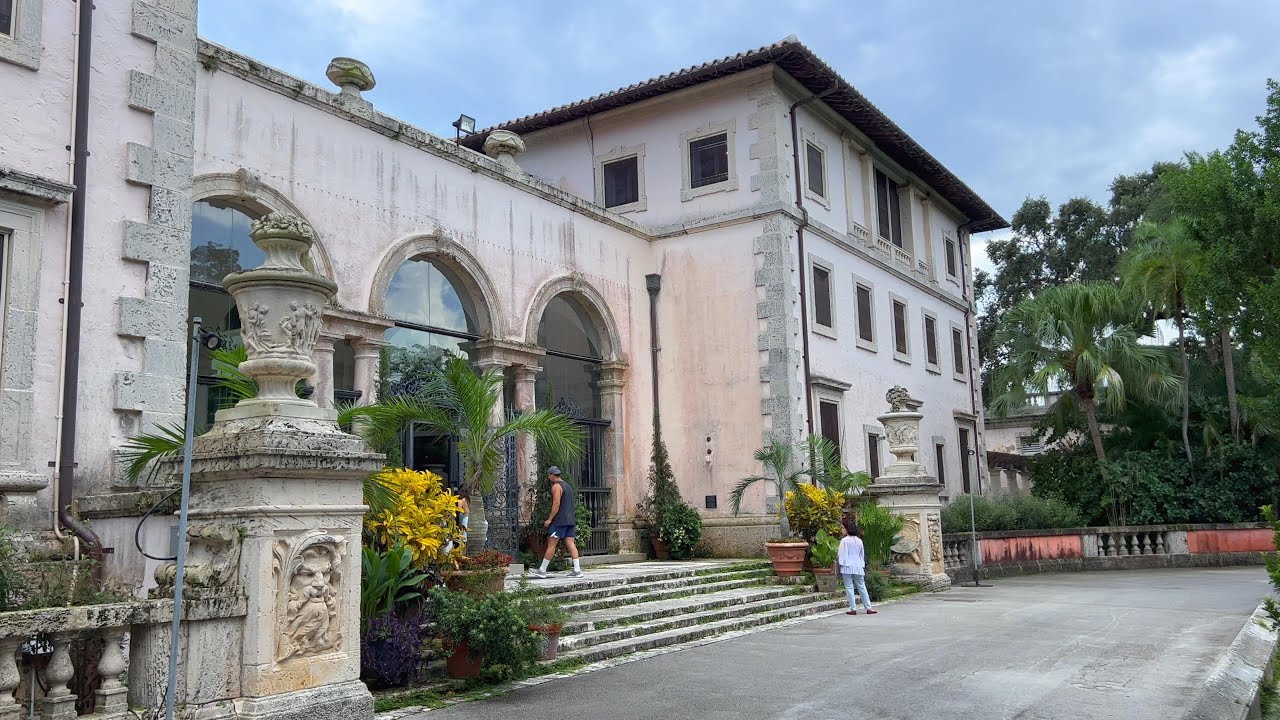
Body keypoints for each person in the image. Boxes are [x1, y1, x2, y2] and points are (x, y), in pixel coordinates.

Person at [528, 466, 583, 579]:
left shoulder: (556, 487)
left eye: (549, 476)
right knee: (570, 543)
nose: (549, 478)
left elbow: (556, 504)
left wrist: (550, 519)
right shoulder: (567, 486)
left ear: (552, 475)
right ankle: (577, 570)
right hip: (570, 519)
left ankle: (542, 570)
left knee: (551, 544)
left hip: (560, 521)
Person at [838, 520, 876, 616]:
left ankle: (853, 608)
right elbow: (861, 554)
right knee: (862, 586)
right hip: (858, 566)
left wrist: (840, 564)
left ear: (847, 529)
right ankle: (868, 607)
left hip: (847, 565)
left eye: (843, 528)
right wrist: (862, 564)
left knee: (849, 587)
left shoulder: (844, 541)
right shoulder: (859, 541)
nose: (842, 530)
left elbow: (841, 554)